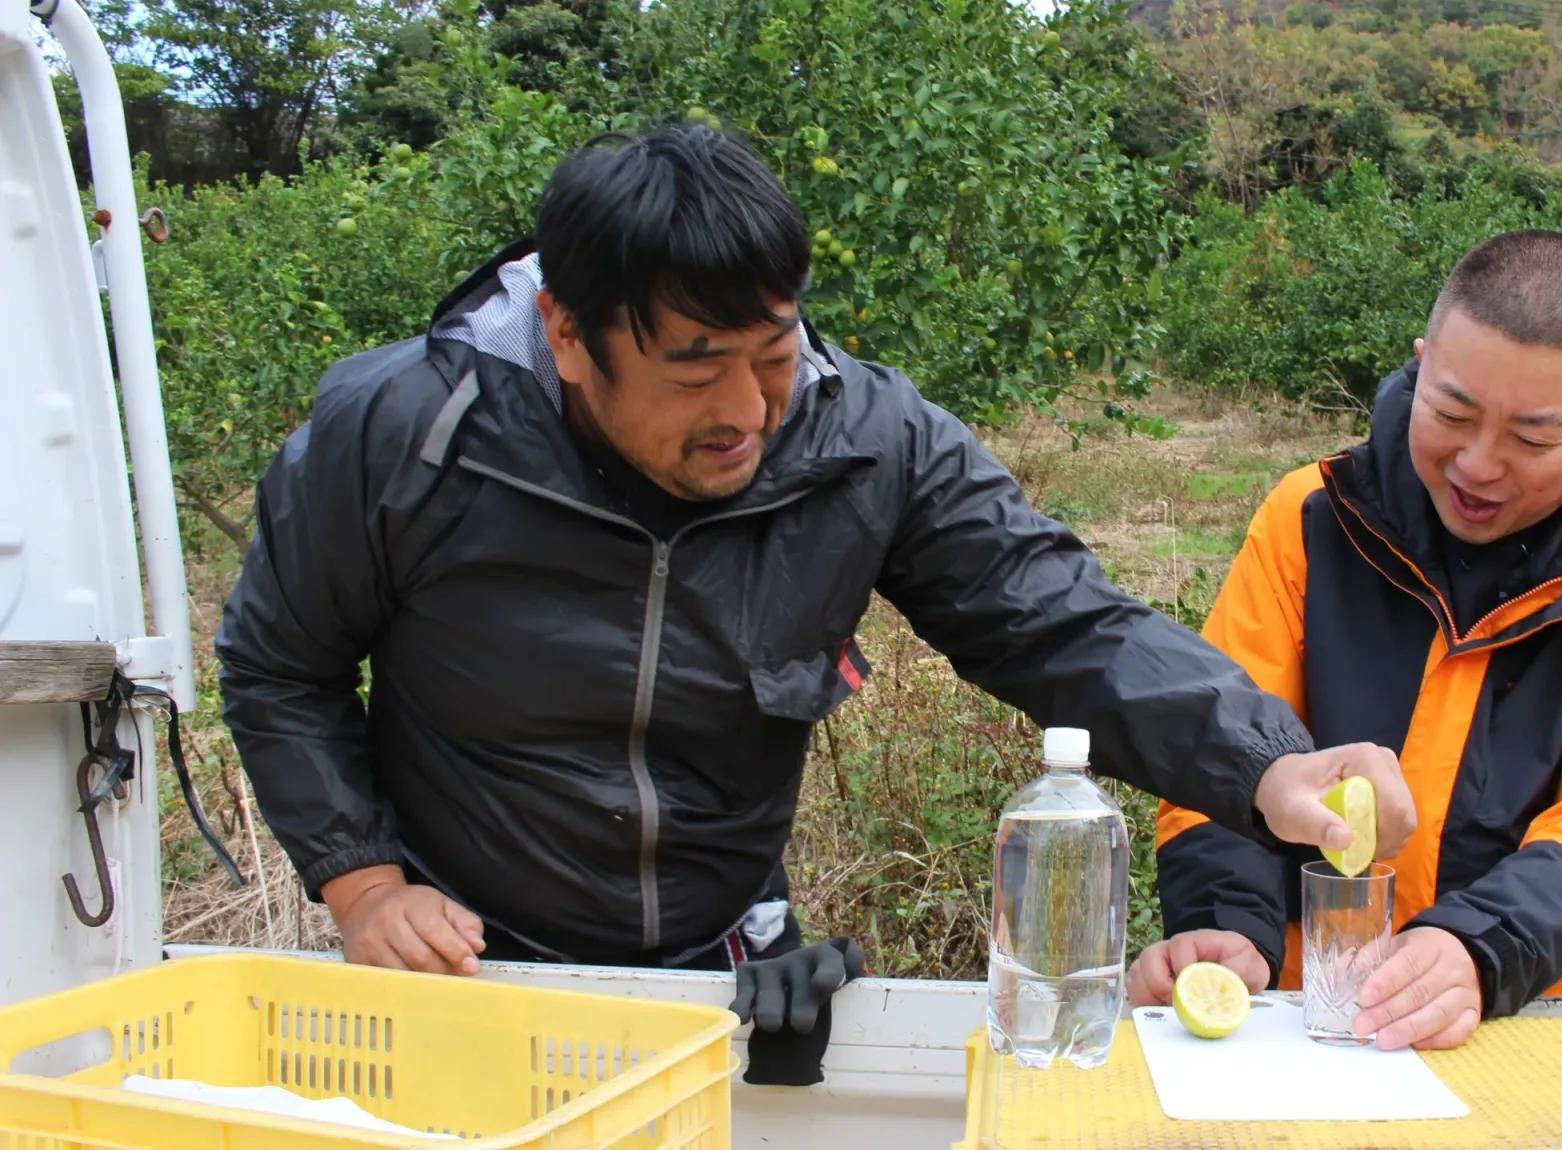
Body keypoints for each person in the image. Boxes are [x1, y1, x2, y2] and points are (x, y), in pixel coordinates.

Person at [212, 123, 1415, 1083]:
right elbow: (279, 666)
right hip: (465, 961)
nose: (747, 409)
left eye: (772, 354)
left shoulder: (868, 440)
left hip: (731, 957)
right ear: (568, 336)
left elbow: (1060, 621)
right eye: (695, 366)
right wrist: (365, 885)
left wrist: (1266, 763)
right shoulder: (406, 435)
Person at [1129, 230, 1562, 1055]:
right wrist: (1230, 932)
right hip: (1309, 1021)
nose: (1478, 465)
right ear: (1419, 367)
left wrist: (1476, 949)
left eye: (1531, 439)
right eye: (1451, 414)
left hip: (1547, 1024)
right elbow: (1227, 750)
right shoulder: (1310, 517)